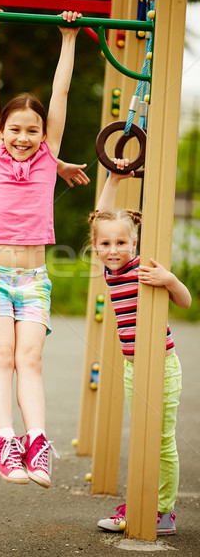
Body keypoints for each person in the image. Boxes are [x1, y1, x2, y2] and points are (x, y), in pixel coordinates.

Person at [0, 5, 89, 487]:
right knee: (1, 358)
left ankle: (37, 443)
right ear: (1, 131)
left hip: (34, 278)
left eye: (32, 130)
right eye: (15, 129)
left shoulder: (48, 159)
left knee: (31, 361)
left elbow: (59, 91)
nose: (23, 137)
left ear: (44, 135)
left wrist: (69, 38)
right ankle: (6, 442)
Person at [89, 165, 191, 534]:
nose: (113, 249)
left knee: (161, 441)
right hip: (134, 366)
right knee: (143, 434)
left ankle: (162, 512)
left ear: (134, 243)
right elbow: (101, 218)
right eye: (105, 243)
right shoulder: (110, 272)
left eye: (121, 242)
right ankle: (146, 502)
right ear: (95, 245)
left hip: (162, 365)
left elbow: (185, 302)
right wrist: (114, 181)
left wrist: (170, 279)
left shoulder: (143, 268)